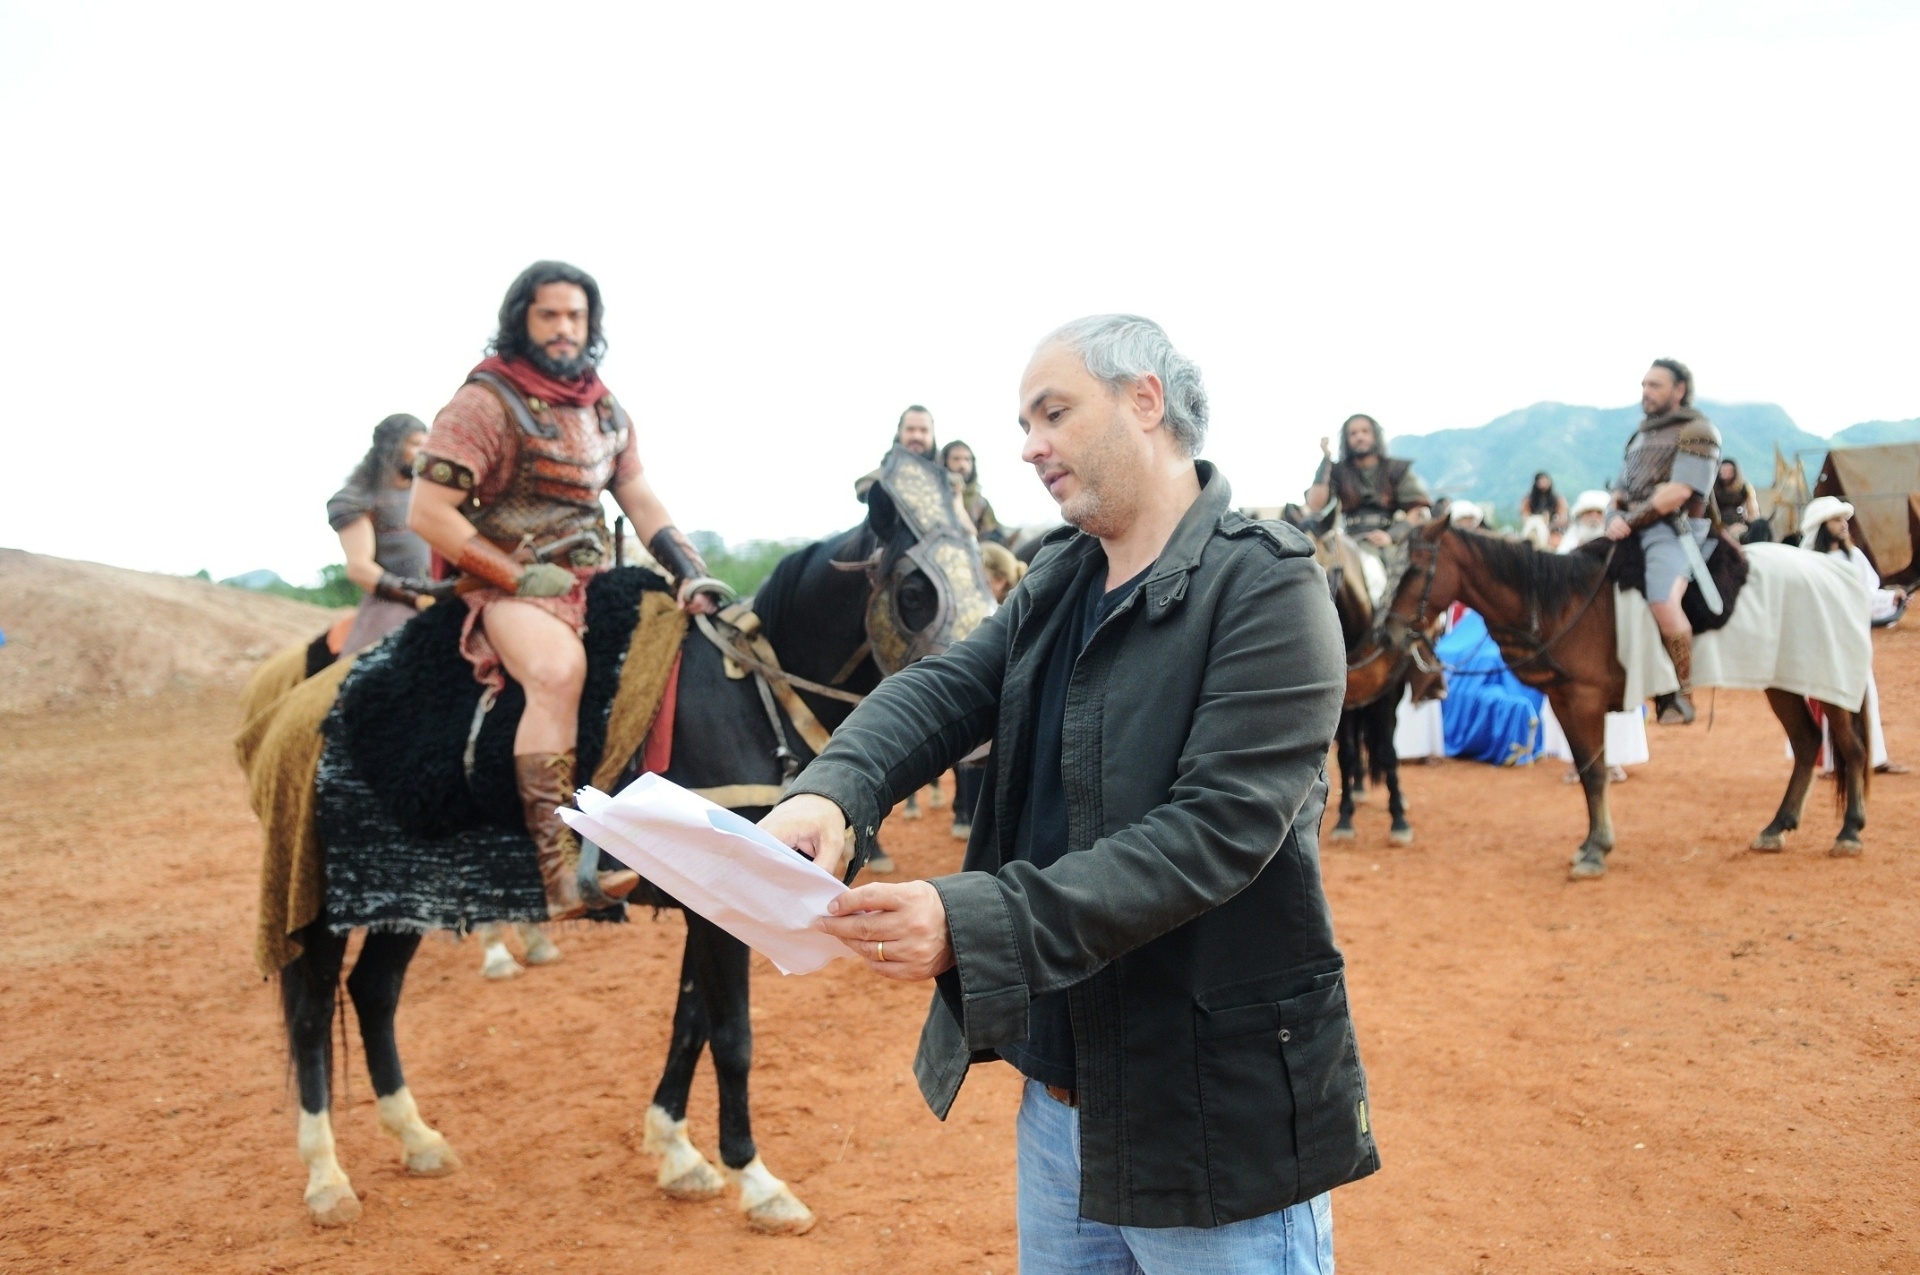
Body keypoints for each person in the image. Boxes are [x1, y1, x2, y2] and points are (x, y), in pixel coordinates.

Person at [763, 314, 1372, 1272]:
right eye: (1023, 421)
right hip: (1062, 1105)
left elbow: (1212, 835)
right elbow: (950, 685)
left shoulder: (1267, 587)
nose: (1028, 446)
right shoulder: (1060, 574)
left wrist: (969, 921)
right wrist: (835, 790)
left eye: (1053, 412)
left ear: (1145, 401)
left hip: (1215, 1110)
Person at [408, 260, 717, 920]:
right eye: (548, 314)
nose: (563, 327)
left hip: (594, 578)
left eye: (575, 315)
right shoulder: (485, 401)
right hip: (509, 585)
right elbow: (428, 513)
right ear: (522, 318)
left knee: (682, 650)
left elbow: (639, 498)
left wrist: (690, 568)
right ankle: (555, 875)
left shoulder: (605, 409)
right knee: (557, 671)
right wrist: (517, 576)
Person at [1604, 358, 1720, 725]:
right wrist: (1611, 517)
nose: (1646, 392)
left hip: (1675, 530)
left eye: (1655, 385)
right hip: (1630, 527)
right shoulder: (1637, 437)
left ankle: (1681, 691)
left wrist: (1630, 521)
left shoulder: (1697, 430)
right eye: (1643, 385)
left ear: (1679, 389)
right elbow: (1619, 491)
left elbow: (1680, 492)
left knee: (1663, 601)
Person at [1801, 496, 1907, 773]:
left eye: (1844, 519)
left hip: (1854, 640)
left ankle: (1875, 758)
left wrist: (1890, 599)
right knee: (1830, 699)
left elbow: (1867, 596)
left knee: (1865, 695)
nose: (1844, 524)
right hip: (1824, 641)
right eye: (1837, 520)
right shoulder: (1809, 560)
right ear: (1822, 526)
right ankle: (1833, 763)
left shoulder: (1854, 556)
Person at [326, 414, 438, 655]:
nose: (424, 452)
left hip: (441, 596)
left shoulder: (428, 494)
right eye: (416, 444)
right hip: (390, 606)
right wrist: (416, 598)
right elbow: (359, 567)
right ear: (392, 447)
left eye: (427, 445)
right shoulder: (357, 498)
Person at [1305, 412, 1432, 552]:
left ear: (1375, 435)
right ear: (1346, 439)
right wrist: (1326, 462)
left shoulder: (1395, 469)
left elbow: (1419, 510)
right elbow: (1315, 505)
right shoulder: (1338, 470)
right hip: (1349, 541)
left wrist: (1391, 536)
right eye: (1353, 433)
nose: (1360, 437)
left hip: (1389, 542)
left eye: (1365, 431)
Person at [855, 404, 938, 500]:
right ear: (899, 431)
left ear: (932, 434)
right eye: (910, 429)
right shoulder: (880, 479)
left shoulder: (952, 481)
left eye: (924, 430)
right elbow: (865, 486)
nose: (916, 436)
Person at [939, 439, 1007, 544]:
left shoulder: (980, 503)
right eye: (956, 459)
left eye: (967, 459)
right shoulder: (935, 494)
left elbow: (994, 536)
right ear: (945, 461)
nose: (962, 464)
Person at [1713, 458, 1766, 543]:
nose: (1726, 473)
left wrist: (1746, 526)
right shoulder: (1713, 488)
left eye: (1729, 471)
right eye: (1723, 470)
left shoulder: (1745, 488)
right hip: (1717, 526)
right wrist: (1724, 528)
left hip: (1739, 526)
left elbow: (1754, 513)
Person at [1517, 471, 1568, 549]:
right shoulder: (1528, 499)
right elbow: (1525, 514)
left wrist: (1551, 523)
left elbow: (1562, 515)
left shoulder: (1557, 499)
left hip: (1552, 527)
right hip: (1532, 524)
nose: (1543, 483)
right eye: (1541, 481)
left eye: (1545, 481)